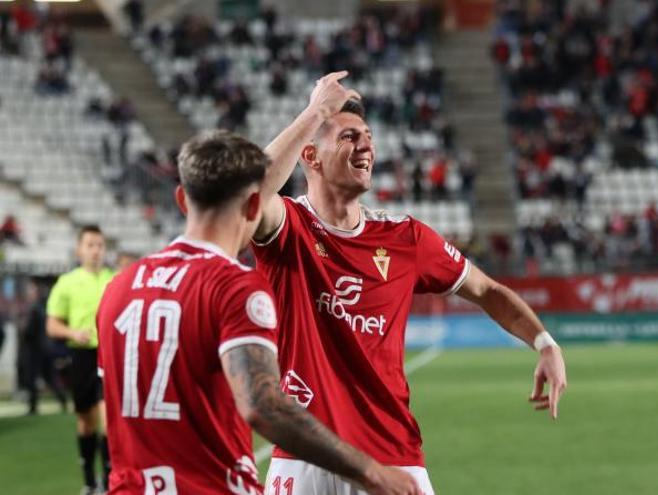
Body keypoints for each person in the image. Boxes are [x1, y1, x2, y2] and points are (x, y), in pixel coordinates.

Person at [252, 71, 568, 494]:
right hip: (304, 460)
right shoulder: (289, 227)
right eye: (348, 137)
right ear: (310, 156)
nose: (366, 145)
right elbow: (248, 192)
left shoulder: (405, 238)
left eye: (368, 136)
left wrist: (545, 343)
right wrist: (316, 111)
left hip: (394, 455)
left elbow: (487, 291)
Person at [96, 130, 422, 495]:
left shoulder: (118, 289)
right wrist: (371, 472)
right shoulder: (234, 287)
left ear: (181, 200)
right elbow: (263, 406)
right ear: (255, 207)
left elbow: (112, 411)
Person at [46, 225, 115, 495]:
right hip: (82, 356)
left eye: (100, 245)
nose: (96, 250)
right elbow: (51, 326)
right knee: (86, 421)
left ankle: (109, 480)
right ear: (79, 249)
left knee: (110, 420)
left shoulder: (116, 279)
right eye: (90, 245)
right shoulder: (67, 282)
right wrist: (73, 332)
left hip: (109, 355)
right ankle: (89, 480)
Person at [20, 277, 68, 415]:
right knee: (50, 378)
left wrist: (23, 332)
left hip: (34, 350)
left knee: (32, 378)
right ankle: (62, 400)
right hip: (46, 348)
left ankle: (33, 407)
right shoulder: (42, 308)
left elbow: (29, 332)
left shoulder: (34, 309)